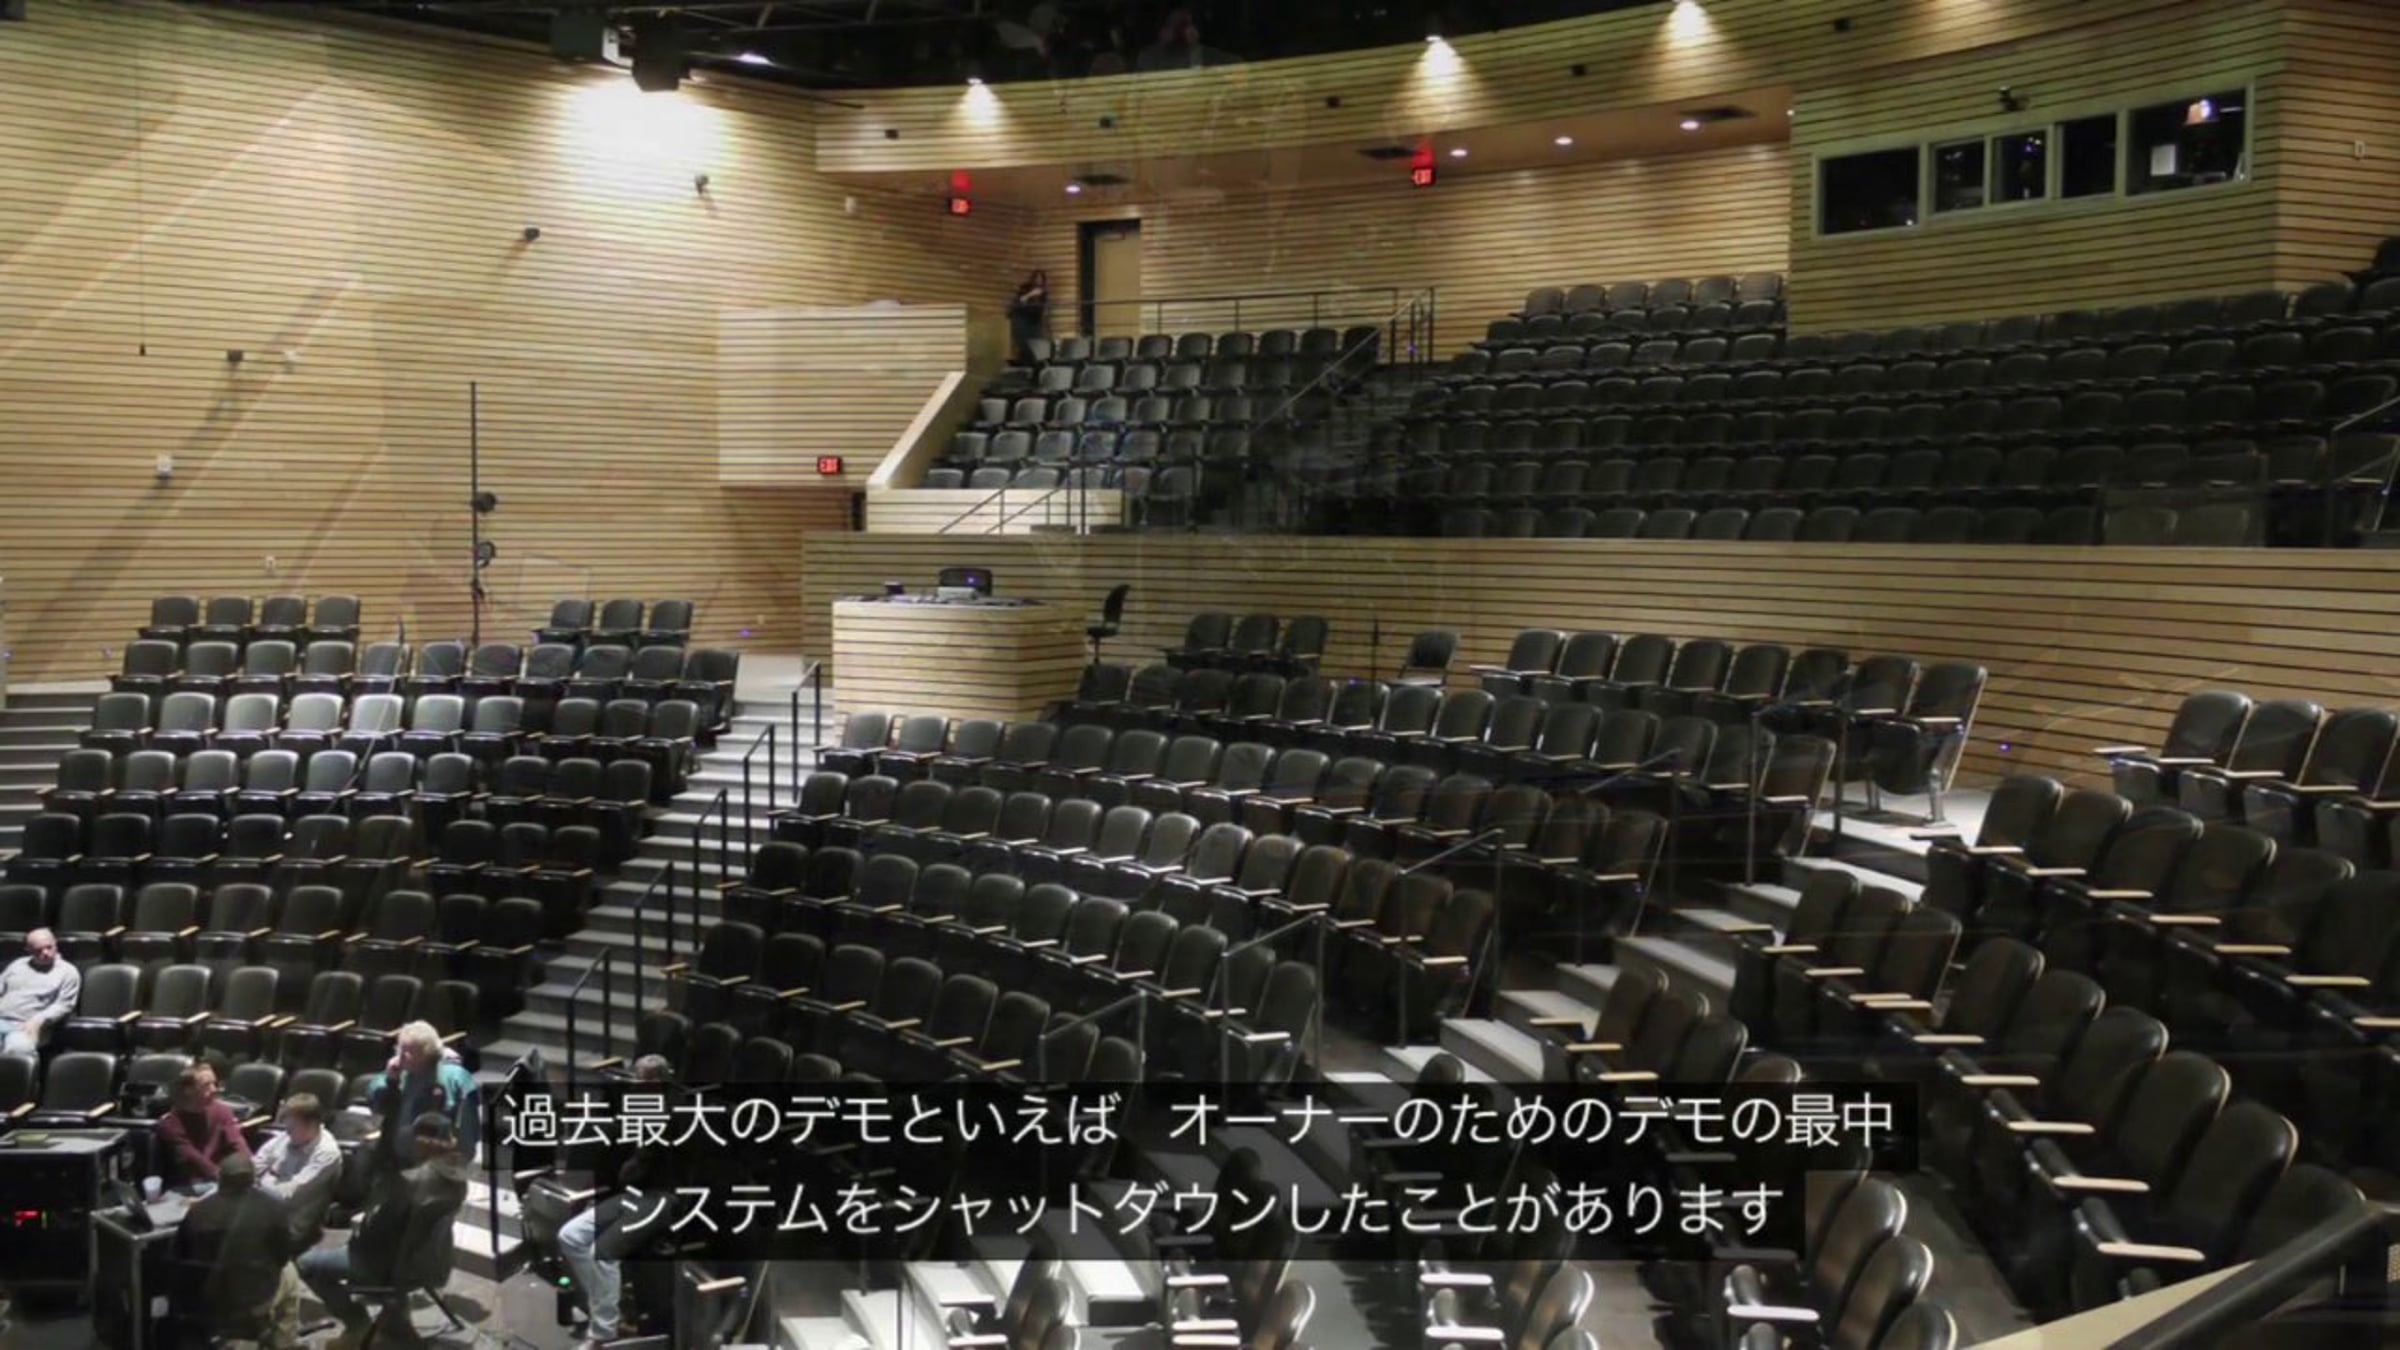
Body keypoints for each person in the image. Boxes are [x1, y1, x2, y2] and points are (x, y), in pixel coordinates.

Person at [299, 1112, 469, 1350]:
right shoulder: (457, 1179)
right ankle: (396, 1323)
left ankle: (357, 1325)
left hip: (393, 1269)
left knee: (307, 1264)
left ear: (422, 1143)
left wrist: (358, 1227)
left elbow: (374, 1235)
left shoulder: (410, 1182)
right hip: (431, 1263)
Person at [555, 1055, 683, 1350]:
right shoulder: (641, 1108)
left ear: (657, 1082)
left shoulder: (671, 1112)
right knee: (570, 1236)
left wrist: (623, 1165)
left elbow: (635, 1167)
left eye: (641, 1080)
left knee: (602, 1252)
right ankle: (605, 1307)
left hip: (662, 1197)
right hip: (634, 1194)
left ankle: (603, 1332)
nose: (634, 1085)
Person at [172, 1153, 301, 1349]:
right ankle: (284, 1342)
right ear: (253, 1179)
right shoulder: (273, 1208)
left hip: (208, 1299)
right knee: (291, 1275)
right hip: (254, 1298)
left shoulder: (197, 1211)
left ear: (220, 1179)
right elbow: (282, 1257)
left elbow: (180, 1255)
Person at [365, 1021, 482, 1171]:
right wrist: (391, 1081)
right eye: (400, 1050)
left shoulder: (456, 1078)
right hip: (397, 1158)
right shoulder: (397, 1073)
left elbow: (468, 1132)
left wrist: (458, 1161)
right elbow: (377, 1104)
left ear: (428, 1053)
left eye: (409, 1052)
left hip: (440, 1160)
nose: (401, 1056)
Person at [253, 1093, 343, 1249]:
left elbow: (287, 1196)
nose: (286, 1132)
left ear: (312, 1124)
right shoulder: (286, 1137)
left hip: (290, 1226)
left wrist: (261, 1181)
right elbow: (254, 1166)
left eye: (292, 1127)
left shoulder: (326, 1154)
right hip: (262, 1211)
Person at [156, 1062, 252, 1190]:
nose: (214, 1089)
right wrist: (224, 1178)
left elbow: (237, 1142)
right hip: (191, 1184)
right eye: (206, 1085)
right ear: (189, 1090)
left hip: (223, 1180)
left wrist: (249, 1168)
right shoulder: (170, 1124)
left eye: (215, 1084)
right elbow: (195, 1160)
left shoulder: (222, 1111)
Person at [0, 928, 79, 1056]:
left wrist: (38, 1019)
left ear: (55, 944)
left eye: (49, 947)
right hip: (2, 1020)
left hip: (27, 1025)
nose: (45, 953)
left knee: (18, 1049)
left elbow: (64, 1005)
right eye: (38, 950)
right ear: (28, 950)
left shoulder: (68, 972)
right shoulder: (17, 964)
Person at [1137, 7, 1206, 71]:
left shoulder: (1205, 55)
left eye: (1188, 25)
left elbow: (1197, 74)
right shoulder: (1148, 56)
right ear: (1163, 30)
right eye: (1179, 25)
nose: (1186, 30)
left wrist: (1194, 49)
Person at [1008, 270, 1051, 364]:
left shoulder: (1044, 294)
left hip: (1034, 322)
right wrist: (1031, 294)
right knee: (1023, 345)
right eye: (1037, 278)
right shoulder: (1025, 289)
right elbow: (1020, 300)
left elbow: (1043, 309)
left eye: (1041, 279)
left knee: (1034, 347)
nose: (1038, 281)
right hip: (1023, 320)